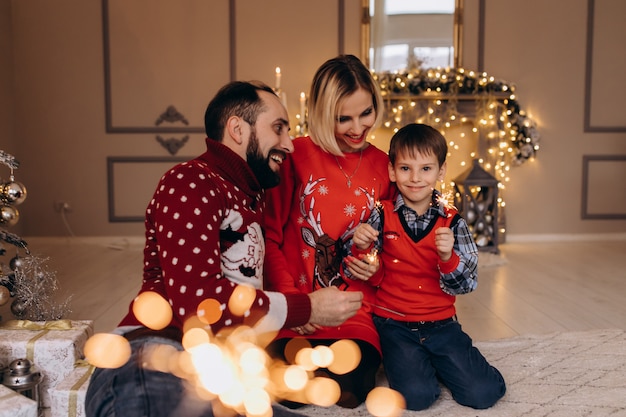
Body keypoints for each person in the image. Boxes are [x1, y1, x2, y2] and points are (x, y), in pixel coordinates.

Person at [85, 80, 365, 417]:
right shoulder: (190, 182)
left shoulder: (249, 193)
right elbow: (199, 303)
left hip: (218, 377)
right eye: (278, 129)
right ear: (236, 128)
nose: (288, 144)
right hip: (153, 357)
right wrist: (307, 308)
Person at [263, 54, 396, 409]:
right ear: (323, 113)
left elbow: (392, 246)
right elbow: (270, 238)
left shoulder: (386, 167)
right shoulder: (294, 156)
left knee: (350, 392)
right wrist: (296, 306)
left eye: (365, 113)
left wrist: (376, 266)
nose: (357, 127)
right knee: (288, 393)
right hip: (299, 312)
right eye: (343, 118)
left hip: (354, 312)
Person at [346, 123, 506, 411]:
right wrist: (360, 244)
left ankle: (444, 360)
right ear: (392, 171)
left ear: (440, 171)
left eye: (426, 168)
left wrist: (447, 259)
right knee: (418, 398)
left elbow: (467, 283)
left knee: (484, 393)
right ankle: (420, 363)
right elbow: (367, 271)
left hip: (442, 324)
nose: (415, 178)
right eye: (405, 168)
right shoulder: (381, 214)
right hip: (394, 324)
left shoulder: (452, 221)